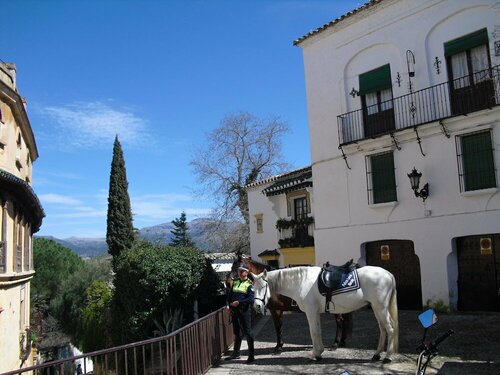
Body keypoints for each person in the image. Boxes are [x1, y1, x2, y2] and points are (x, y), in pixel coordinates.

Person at [224, 263, 255, 363]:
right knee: (237, 332)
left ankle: (251, 356)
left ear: (247, 272)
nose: (240, 272)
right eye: (239, 271)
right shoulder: (236, 282)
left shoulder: (250, 284)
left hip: (244, 311)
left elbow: (251, 299)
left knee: (248, 332)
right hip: (234, 311)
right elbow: (230, 294)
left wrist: (239, 302)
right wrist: (228, 305)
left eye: (242, 271)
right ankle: (236, 353)